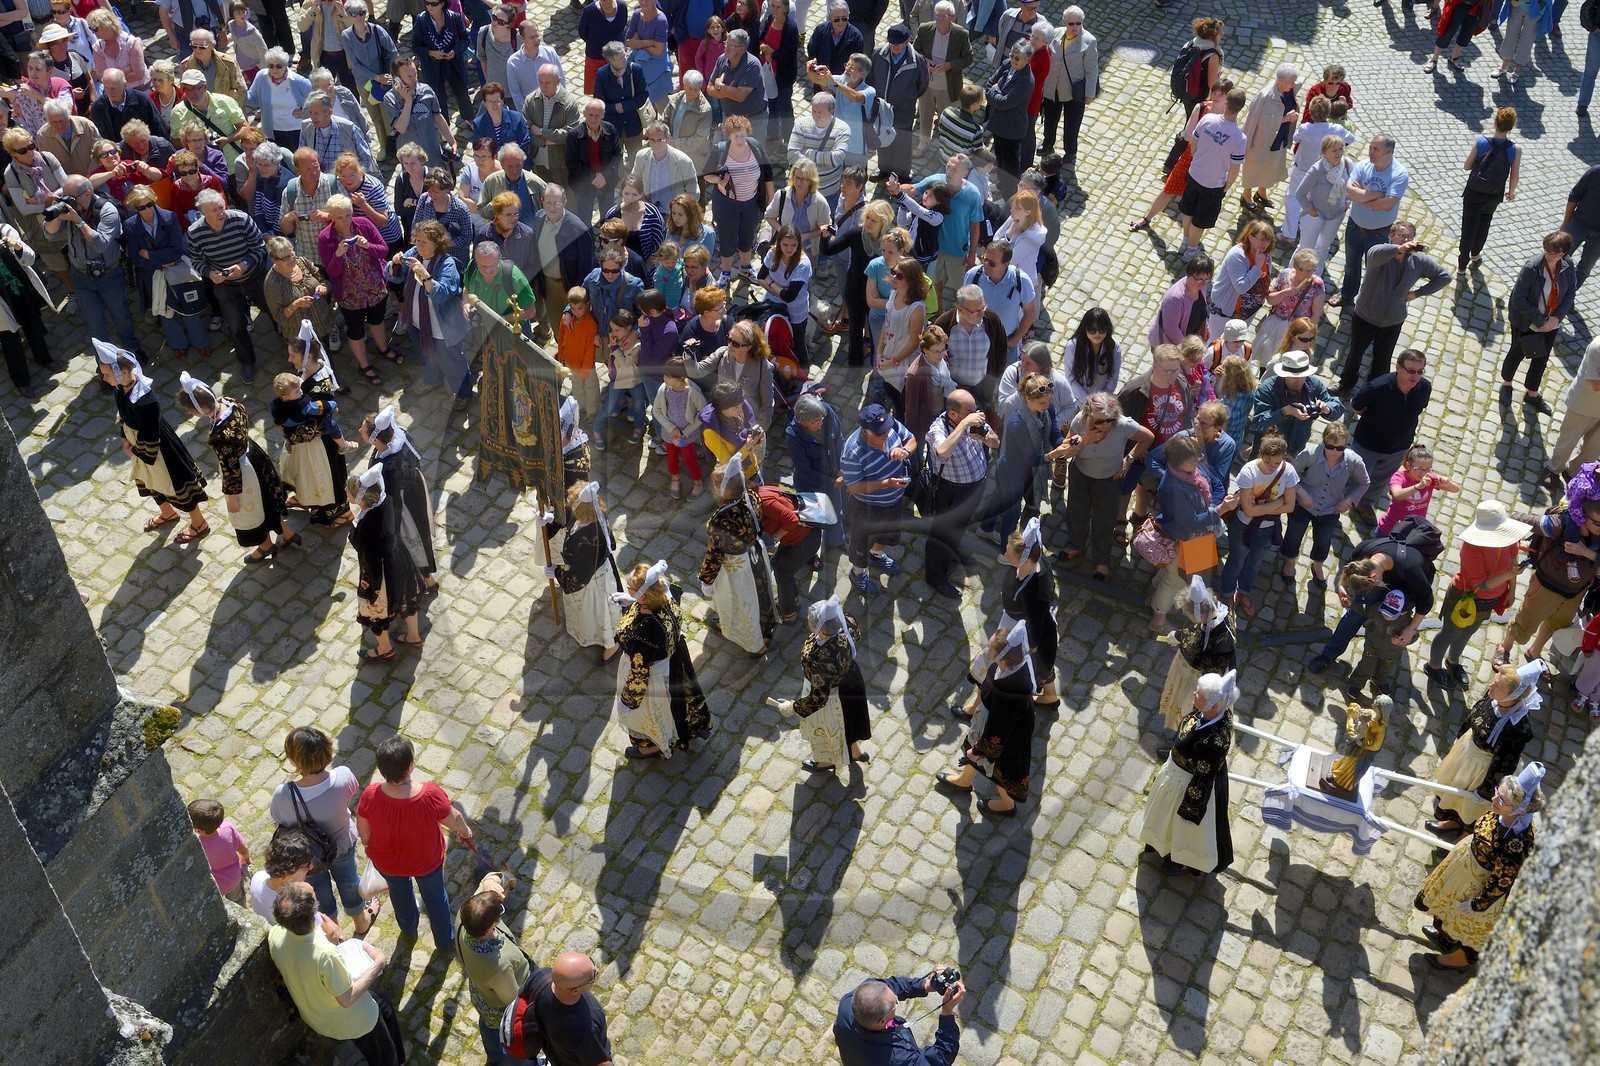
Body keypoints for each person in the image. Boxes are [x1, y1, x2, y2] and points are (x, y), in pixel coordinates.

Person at [1415, 763, 1544, 971]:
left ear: (1519, 810)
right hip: (1463, 870)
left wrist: (1477, 905)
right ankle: (1444, 937)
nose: (1494, 799)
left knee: (1468, 927)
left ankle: (1458, 961)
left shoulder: (1518, 843)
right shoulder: (1502, 813)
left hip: (1477, 886)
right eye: (1497, 792)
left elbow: (1502, 881)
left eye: (1501, 799)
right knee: (1449, 908)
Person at [268, 882, 405, 1066]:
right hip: (350, 1018)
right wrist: (378, 963)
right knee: (384, 1058)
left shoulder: (275, 934)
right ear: (313, 913)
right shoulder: (325, 954)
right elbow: (347, 998)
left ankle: (401, 1055)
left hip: (316, 1010)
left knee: (384, 1004)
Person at [357, 733, 473, 945]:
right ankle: (444, 939)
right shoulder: (430, 794)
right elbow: (454, 818)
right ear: (410, 766)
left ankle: (408, 928)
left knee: (399, 895)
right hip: (427, 861)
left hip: (389, 863)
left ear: (381, 771)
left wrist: (366, 843)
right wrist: (464, 831)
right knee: (436, 898)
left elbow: (363, 825)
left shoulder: (370, 795)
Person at [269, 723, 381, 933]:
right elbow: (351, 794)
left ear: (293, 761)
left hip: (308, 857)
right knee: (349, 882)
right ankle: (361, 922)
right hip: (342, 844)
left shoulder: (283, 795)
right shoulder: (344, 776)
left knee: (319, 892)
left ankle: (333, 930)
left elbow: (279, 822)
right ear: (328, 751)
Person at [177, 372, 298, 558]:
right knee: (266, 498)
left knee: (254, 508)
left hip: (243, 472)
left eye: (190, 410)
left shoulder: (220, 435)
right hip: (254, 455)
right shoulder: (230, 402)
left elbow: (230, 469)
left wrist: (232, 496)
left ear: (202, 408)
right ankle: (287, 533)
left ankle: (266, 545)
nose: (189, 413)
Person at [96, 345, 209, 542]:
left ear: (123, 372)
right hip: (138, 445)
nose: (104, 378)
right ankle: (167, 512)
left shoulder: (146, 400)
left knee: (177, 484)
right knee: (149, 481)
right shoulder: (120, 389)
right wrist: (124, 438)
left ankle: (199, 523)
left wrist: (137, 451)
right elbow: (123, 415)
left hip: (158, 448)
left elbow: (150, 434)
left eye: (106, 374)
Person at [1138, 669, 1237, 876]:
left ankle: (1181, 861)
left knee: (1183, 828)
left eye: (1198, 693)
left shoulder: (1214, 743)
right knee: (1166, 818)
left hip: (1187, 787)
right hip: (1176, 777)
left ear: (1212, 705)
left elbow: (1203, 778)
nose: (1194, 693)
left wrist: (1190, 809)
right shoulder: (1208, 713)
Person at [612, 560, 714, 759]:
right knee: (677, 703)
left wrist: (628, 701)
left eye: (630, 588)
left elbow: (639, 672)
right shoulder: (667, 597)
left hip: (654, 676)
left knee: (653, 715)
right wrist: (632, 601)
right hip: (674, 660)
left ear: (643, 595)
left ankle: (656, 745)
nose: (627, 589)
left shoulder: (644, 631)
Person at [935, 621, 1038, 816]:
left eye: (990, 647)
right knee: (972, 749)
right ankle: (965, 780)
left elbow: (998, 730)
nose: (987, 648)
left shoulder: (1009, 692)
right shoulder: (1011, 666)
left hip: (1005, 736)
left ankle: (1007, 805)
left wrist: (979, 751)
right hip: (989, 719)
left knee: (1000, 770)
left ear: (1002, 658)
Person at [1335, 222, 1450, 395]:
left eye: (1409, 236)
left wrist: (1417, 293)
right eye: (1401, 236)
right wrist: (1399, 249)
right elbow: (1374, 253)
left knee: (1382, 359)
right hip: (1366, 315)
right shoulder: (1379, 252)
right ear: (1390, 236)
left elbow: (1444, 277)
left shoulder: (1418, 260)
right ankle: (1346, 383)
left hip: (1393, 320)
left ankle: (1374, 392)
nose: (1405, 240)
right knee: (1355, 353)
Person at [1426, 501, 1529, 690]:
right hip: (1465, 597)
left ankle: (1453, 661)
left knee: (1468, 632)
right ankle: (1433, 666)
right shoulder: (1471, 547)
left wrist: (1511, 590)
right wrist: (1510, 574)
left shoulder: (1509, 538)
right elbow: (1481, 584)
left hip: (1489, 600)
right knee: (1450, 632)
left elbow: (1513, 560)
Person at [1492, 490, 1600, 667]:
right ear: (1582, 515)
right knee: (1525, 621)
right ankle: (1505, 647)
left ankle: (1534, 651)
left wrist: (1585, 552)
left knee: (1556, 624)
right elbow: (1519, 520)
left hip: (1575, 593)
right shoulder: (1559, 524)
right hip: (1546, 588)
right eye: (1597, 523)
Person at [45, 177, 144, 361]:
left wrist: (78, 221)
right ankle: (104, 363)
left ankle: (132, 351)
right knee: (94, 323)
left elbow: (100, 244)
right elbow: (50, 235)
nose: (67, 201)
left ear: (87, 194)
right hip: (80, 276)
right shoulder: (70, 210)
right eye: (64, 196)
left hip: (109, 274)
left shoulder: (107, 210)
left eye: (71, 197)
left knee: (121, 316)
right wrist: (55, 215)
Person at [1147, 434, 1237, 633]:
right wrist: (1220, 510)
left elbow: (1216, 483)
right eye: (1192, 461)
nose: (1198, 464)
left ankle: (1152, 592)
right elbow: (1192, 523)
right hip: (1182, 539)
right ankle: (1158, 620)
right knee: (1176, 579)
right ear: (1177, 462)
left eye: (1198, 459)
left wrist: (1212, 507)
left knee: (1169, 572)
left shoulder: (1194, 468)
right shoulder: (1172, 488)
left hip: (1197, 538)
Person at [1061, 392, 1152, 582]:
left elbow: (1147, 437)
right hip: (1080, 475)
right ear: (1088, 415)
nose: (1106, 425)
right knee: (1076, 512)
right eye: (1100, 421)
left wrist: (1128, 460)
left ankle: (1101, 559)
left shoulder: (1122, 424)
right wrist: (1085, 439)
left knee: (1104, 520)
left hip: (1108, 480)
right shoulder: (1080, 421)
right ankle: (1076, 544)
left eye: (1109, 420)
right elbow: (1065, 452)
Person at [344, 467, 425, 658]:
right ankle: (414, 636)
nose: (345, 491)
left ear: (361, 498)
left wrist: (371, 591)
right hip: (400, 558)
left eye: (349, 491)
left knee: (375, 612)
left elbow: (368, 558)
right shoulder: (385, 500)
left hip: (381, 571)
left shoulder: (366, 526)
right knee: (407, 599)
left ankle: (385, 649)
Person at [1214, 430, 1297, 617]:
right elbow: (1249, 511)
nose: (1271, 467)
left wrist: (1261, 508)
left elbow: (1290, 506)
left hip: (1267, 529)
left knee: (1254, 564)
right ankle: (1227, 593)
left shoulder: (1288, 471)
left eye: (1276, 463)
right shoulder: (1249, 471)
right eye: (1267, 462)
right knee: (1236, 562)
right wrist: (1277, 503)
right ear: (1261, 454)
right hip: (1243, 526)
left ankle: (1243, 592)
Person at [699, 460, 777, 656]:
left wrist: (707, 579)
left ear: (724, 491)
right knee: (760, 592)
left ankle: (757, 645)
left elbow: (714, 553)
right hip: (756, 553)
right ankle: (766, 627)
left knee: (743, 602)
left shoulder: (721, 519)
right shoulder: (752, 496)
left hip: (738, 567)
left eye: (716, 484)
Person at [391, 220, 472, 408]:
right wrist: (394, 263)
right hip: (417, 322)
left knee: (452, 361)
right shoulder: (414, 254)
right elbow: (395, 275)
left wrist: (425, 275)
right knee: (426, 356)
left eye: (424, 242)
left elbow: (443, 293)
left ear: (437, 243)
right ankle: (432, 380)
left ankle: (463, 393)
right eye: (417, 240)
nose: (419, 245)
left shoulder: (447, 264)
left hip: (441, 327)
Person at [456, 871, 533, 1066]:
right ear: (492, 924)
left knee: (487, 1025)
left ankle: (495, 1057)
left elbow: (485, 885)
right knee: (511, 1039)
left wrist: (491, 880)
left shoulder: (465, 916)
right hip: (498, 1006)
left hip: (481, 992)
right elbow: (512, 1000)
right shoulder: (498, 965)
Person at [1279, 422, 1368, 588]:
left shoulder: (1353, 461)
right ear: (1323, 442)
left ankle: (1318, 566)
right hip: (1303, 505)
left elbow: (1364, 482)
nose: (1335, 452)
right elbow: (1290, 474)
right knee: (1293, 535)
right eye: (1330, 447)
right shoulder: (1310, 453)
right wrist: (1302, 494)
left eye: (1340, 448)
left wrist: (1348, 501)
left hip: (1330, 508)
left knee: (1323, 541)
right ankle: (1290, 562)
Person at [1348, 349, 1432, 524]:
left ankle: (1364, 503)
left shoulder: (1424, 387)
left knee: (1380, 478)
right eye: (1411, 371)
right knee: (1356, 476)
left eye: (1420, 371)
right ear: (1398, 367)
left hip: (1399, 446)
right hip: (1368, 444)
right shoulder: (1378, 387)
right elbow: (1356, 405)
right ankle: (1343, 502)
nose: (1416, 376)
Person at [841, 403, 916, 596]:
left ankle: (876, 555)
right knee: (862, 543)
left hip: (893, 500)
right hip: (867, 507)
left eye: (887, 429)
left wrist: (906, 451)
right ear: (865, 432)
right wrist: (886, 483)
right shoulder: (852, 453)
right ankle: (857, 572)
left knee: (886, 532)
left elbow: (911, 439)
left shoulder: (890, 426)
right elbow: (854, 487)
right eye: (880, 433)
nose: (886, 434)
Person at [543, 481, 624, 658]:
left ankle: (610, 644)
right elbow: (566, 515)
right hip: (584, 570)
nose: (569, 507)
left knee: (598, 613)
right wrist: (551, 520)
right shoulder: (586, 513)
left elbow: (578, 578)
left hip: (592, 580)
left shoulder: (592, 540)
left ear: (583, 512)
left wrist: (557, 572)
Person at [318, 192, 393, 380]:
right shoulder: (326, 238)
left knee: (377, 320)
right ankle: (364, 365)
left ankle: (383, 348)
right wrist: (337, 255)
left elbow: (384, 250)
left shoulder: (364, 224)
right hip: (349, 295)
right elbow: (332, 272)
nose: (346, 221)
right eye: (340, 217)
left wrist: (368, 246)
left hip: (374, 287)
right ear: (331, 217)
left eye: (348, 215)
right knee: (356, 330)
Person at [1501, 231, 1577, 416]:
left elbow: (1570, 293)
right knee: (1516, 354)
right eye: (1548, 251)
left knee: (1541, 359)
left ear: (1564, 253)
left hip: (1551, 323)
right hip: (1527, 321)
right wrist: (1540, 320)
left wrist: (1556, 318)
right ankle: (1507, 384)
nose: (1550, 256)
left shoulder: (1568, 266)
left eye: (1556, 253)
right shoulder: (1532, 267)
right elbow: (1518, 299)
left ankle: (1532, 393)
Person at [1333, 135, 1409, 309]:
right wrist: (1376, 196)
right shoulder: (1363, 165)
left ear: (1389, 151)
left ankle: (1368, 302)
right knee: (1351, 264)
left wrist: (1362, 197)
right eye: (1370, 148)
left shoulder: (1399, 174)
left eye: (1376, 149)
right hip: (1355, 226)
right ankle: (1347, 295)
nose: (1371, 152)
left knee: (1375, 270)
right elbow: (1348, 192)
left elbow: (1387, 205)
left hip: (1379, 233)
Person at [833, 970, 962, 1066]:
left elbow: (891, 985)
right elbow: (940, 1058)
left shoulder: (847, 1004)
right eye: (895, 1003)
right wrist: (947, 1013)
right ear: (882, 1021)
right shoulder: (899, 1059)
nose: (897, 998)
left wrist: (925, 985)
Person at [1158, 578, 1236, 735]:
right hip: (1192, 676)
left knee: (1188, 715)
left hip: (1194, 683)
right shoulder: (1218, 614)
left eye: (1189, 615)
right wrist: (1179, 635)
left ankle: (1185, 738)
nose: (1188, 618)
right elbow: (1194, 631)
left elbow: (1209, 677)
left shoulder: (1217, 644)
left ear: (1199, 614)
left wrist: (1180, 638)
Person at [511, 952, 615, 1066]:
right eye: (592, 977)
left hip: (555, 1053)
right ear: (575, 991)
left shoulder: (541, 975)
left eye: (592, 961)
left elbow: (522, 995)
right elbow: (600, 1063)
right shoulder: (582, 1029)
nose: (598, 970)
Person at [1178, 86, 1247, 259]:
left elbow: (1194, 143)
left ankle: (1185, 241)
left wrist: (1197, 160)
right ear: (1240, 108)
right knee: (1200, 220)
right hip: (1213, 185)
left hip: (1194, 174)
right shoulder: (1239, 138)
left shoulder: (1207, 119)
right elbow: (1234, 169)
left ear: (1226, 102)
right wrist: (1226, 187)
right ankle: (1191, 250)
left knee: (1188, 209)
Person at [1248, 348, 1345, 457]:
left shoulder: (1314, 384)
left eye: (1303, 376)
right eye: (1294, 377)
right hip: (1267, 449)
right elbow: (1259, 423)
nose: (1299, 381)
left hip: (1296, 446)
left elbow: (1337, 407)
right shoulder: (1267, 389)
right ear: (1284, 374)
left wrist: (1327, 409)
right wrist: (1284, 412)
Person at [1458, 107, 1520, 275]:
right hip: (1494, 193)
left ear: (1495, 123)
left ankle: (1462, 265)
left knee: (1468, 226)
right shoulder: (1515, 149)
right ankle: (1475, 254)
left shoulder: (1481, 142)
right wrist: (1511, 192)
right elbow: (1514, 175)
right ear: (1511, 126)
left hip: (1474, 191)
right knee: (1485, 222)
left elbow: (1467, 166)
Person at [0, 221, 55, 400]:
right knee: (10, 339)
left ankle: (43, 358)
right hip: (1, 302)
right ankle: (21, 380)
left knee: (33, 324)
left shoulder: (5, 230)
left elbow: (29, 258)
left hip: (20, 290)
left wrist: (17, 247)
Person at [1237, 64, 1298, 215]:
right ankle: (1246, 196)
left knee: (1270, 167)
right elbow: (1253, 121)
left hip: (1279, 138)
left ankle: (1261, 192)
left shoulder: (1288, 90)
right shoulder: (1265, 97)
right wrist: (1284, 119)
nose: (1293, 84)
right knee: (1254, 168)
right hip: (1262, 141)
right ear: (1281, 80)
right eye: (1291, 82)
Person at [983, 41, 1034, 200]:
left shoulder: (1026, 80)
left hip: (1011, 128)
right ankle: (1001, 185)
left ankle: (1009, 197)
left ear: (1027, 60)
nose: (1013, 60)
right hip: (998, 123)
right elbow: (989, 83)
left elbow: (1004, 102)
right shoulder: (1007, 64)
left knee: (1010, 167)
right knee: (1000, 159)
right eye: (1012, 56)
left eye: (1017, 58)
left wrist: (995, 91)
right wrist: (995, 91)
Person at [1254, 249, 1326, 359]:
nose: (1310, 274)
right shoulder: (1285, 274)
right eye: (1306, 271)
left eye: (1312, 270)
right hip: (1275, 325)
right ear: (1295, 266)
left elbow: (1316, 314)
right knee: (1266, 357)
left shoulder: (1317, 284)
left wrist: (1305, 336)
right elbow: (1271, 300)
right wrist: (1285, 293)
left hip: (1296, 333)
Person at [384, 57, 453, 167]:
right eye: (409, 77)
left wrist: (452, 142)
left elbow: (438, 117)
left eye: (415, 74)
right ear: (397, 79)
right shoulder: (390, 98)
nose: (415, 79)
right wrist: (408, 101)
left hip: (432, 153)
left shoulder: (426, 90)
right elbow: (401, 128)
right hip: (410, 159)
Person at [411, 0, 472, 124]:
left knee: (462, 92)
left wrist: (455, 51)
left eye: (434, 4)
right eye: (427, 3)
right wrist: (431, 53)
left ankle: (469, 119)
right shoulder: (421, 20)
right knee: (438, 98)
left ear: (442, 3)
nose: (430, 6)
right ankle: (444, 126)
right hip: (432, 66)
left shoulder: (454, 18)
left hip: (453, 63)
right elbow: (416, 46)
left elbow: (465, 39)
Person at [247, 49, 314, 151]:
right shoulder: (261, 77)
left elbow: (317, 98)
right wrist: (240, 94)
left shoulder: (297, 81)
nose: (274, 69)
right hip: (271, 131)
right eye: (270, 66)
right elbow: (252, 99)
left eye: (279, 66)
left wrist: (306, 111)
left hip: (294, 130)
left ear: (286, 65)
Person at [188, 798, 250, 900]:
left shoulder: (198, 846)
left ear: (199, 830)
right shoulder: (229, 828)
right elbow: (243, 849)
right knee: (238, 900)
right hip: (234, 879)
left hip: (217, 886)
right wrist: (246, 859)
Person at [1494, 0, 1555, 84]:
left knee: (1527, 41)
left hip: (1535, 10)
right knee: (1510, 36)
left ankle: (1517, 70)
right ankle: (1504, 66)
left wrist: (1541, 8)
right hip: (1517, 5)